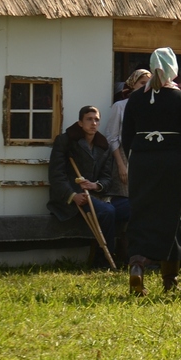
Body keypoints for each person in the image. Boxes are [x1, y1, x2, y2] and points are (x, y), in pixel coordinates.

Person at [122, 48, 181, 294]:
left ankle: (137, 264)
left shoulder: (135, 99)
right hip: (173, 164)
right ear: (173, 69)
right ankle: (170, 280)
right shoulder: (180, 99)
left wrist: (140, 157)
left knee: (142, 213)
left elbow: (127, 137)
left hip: (142, 162)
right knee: (171, 217)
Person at [48, 106, 129, 268]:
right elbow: (56, 176)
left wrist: (96, 185)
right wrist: (73, 196)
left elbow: (107, 178)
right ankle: (103, 260)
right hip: (73, 198)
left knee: (131, 206)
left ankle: (130, 256)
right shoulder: (66, 141)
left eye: (97, 119)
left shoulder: (102, 144)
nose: (93, 123)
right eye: (89, 119)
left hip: (96, 195)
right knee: (108, 212)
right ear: (80, 122)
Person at [103, 69, 151, 259]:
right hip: (123, 157)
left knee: (142, 206)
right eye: (141, 83)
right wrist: (121, 164)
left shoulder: (149, 105)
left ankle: (141, 252)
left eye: (148, 83)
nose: (145, 87)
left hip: (143, 160)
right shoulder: (120, 106)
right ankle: (123, 251)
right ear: (132, 85)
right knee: (126, 205)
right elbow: (112, 137)